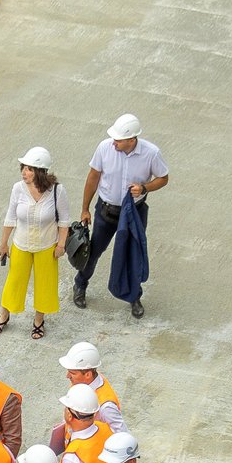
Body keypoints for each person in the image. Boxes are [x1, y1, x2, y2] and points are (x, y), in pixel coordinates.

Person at [74, 113, 169, 319]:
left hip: (133, 212)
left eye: (119, 139)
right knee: (93, 251)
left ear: (132, 140)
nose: (114, 142)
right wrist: (85, 209)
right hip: (106, 210)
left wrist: (145, 188)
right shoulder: (104, 148)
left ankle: (134, 297)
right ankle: (80, 284)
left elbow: (163, 178)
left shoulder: (151, 153)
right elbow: (93, 178)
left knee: (132, 254)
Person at [0, 146, 66, 340]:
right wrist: (4, 244)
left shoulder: (57, 191)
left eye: (29, 169)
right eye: (23, 167)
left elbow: (64, 220)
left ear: (40, 172)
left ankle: (38, 321)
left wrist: (61, 245)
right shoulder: (18, 188)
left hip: (47, 246)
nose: (24, 172)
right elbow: (10, 217)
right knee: (14, 281)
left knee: (45, 284)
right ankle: (4, 316)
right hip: (21, 244)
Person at [58, 340, 126, 433]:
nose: (67, 376)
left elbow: (121, 435)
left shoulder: (106, 407)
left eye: (72, 373)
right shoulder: (81, 382)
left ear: (88, 375)